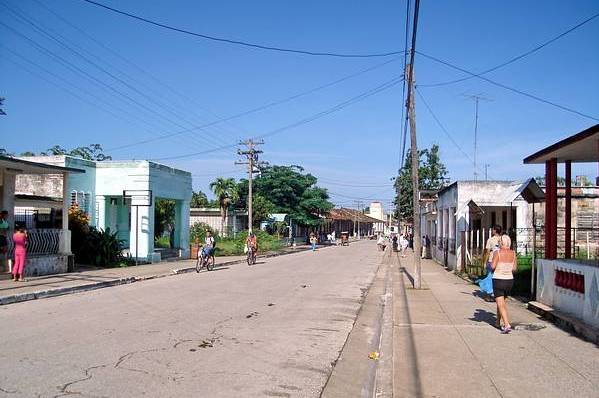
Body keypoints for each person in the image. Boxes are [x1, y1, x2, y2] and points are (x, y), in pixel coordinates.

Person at [491, 234, 517, 333]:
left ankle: (506, 324)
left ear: (501, 243)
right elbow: (514, 268)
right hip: (509, 280)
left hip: (498, 279)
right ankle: (497, 322)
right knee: (501, 302)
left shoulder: (497, 253)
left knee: (500, 303)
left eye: (499, 243)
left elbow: (493, 266)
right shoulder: (513, 253)